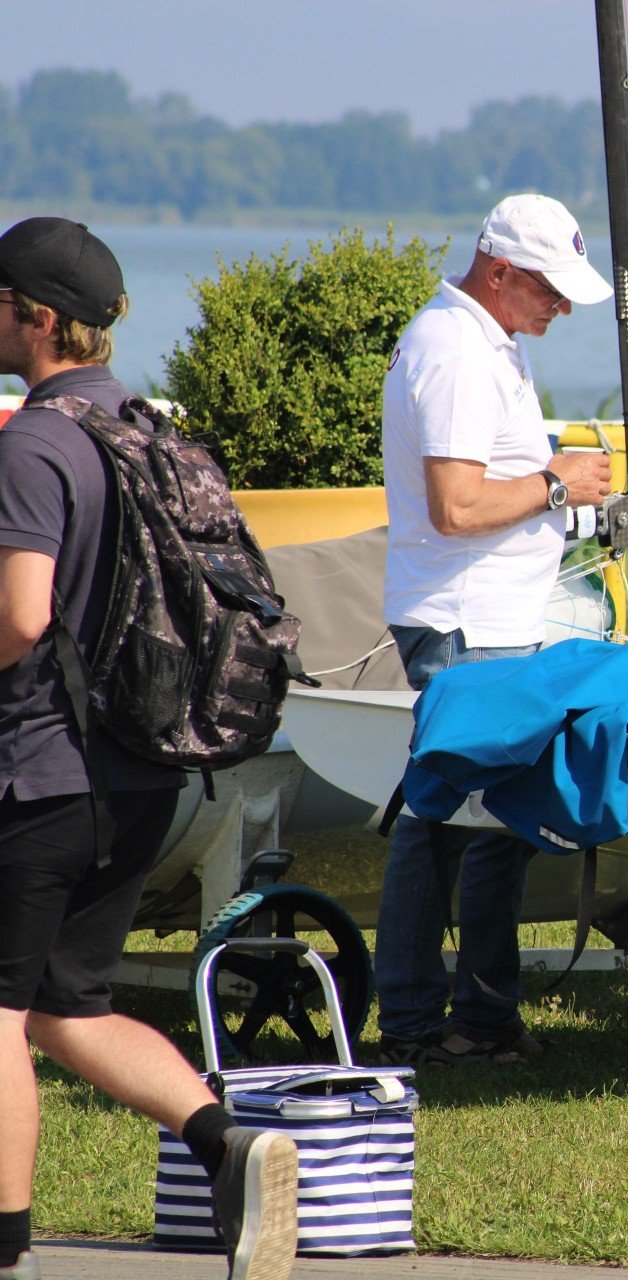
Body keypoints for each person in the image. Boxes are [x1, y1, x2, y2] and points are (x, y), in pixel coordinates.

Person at [0, 218, 300, 1280]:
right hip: (141, 771)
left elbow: (22, 617)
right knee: (67, 1008)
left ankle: (7, 1247)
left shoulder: (33, 443)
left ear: (35, 318)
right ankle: (235, 1139)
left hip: (36, 772)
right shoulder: (145, 427)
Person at [377, 194, 613, 1066]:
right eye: (550, 289)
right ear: (501, 271)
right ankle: (412, 1024)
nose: (560, 306)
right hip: (464, 622)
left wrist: (552, 484)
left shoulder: (484, 341)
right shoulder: (456, 351)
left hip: (488, 619)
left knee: (490, 828)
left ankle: (480, 1016)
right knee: (439, 823)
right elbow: (457, 505)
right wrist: (557, 486)